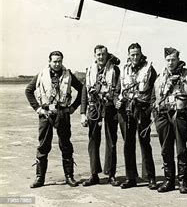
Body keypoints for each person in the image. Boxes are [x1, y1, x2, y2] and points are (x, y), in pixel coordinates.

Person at [25, 51, 83, 188]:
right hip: (46, 113)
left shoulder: (68, 75)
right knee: (43, 145)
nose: (57, 64)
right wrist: (38, 109)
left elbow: (82, 90)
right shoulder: (41, 75)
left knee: (65, 144)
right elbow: (28, 90)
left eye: (59, 61)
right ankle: (40, 177)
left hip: (62, 113)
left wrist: (73, 107)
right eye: (54, 61)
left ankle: (69, 176)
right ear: (49, 61)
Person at [152, 47, 187, 194]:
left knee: (181, 149)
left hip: (180, 115)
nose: (171, 63)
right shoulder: (160, 77)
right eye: (168, 60)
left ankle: (183, 181)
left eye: (173, 59)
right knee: (166, 149)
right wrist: (156, 117)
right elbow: (154, 97)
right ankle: (168, 181)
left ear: (178, 60)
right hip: (163, 115)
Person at [116, 43, 158, 190]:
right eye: (132, 54)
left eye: (137, 54)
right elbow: (117, 89)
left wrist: (151, 109)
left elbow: (154, 89)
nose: (135, 57)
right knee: (128, 144)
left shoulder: (149, 69)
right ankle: (130, 177)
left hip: (142, 109)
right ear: (129, 55)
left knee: (145, 143)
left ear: (141, 54)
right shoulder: (124, 69)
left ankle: (150, 177)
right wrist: (117, 101)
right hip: (127, 110)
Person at [80, 45, 121, 187]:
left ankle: (111, 174)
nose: (101, 57)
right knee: (93, 140)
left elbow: (117, 89)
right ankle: (94, 174)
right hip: (94, 107)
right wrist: (82, 113)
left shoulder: (114, 69)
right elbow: (84, 93)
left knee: (111, 140)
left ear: (107, 54)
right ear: (94, 55)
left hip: (109, 107)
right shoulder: (89, 70)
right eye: (98, 54)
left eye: (103, 54)